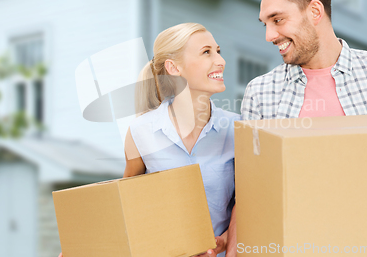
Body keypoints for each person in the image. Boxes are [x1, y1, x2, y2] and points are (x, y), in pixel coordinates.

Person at [226, 0, 367, 256]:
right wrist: (234, 248)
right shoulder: (260, 93)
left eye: (277, 20)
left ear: (315, 12)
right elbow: (249, 191)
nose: (269, 35)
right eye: (264, 23)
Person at [59, 23, 238, 257]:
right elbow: (125, 205)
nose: (220, 60)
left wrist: (224, 242)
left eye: (218, 50)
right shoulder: (140, 131)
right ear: (173, 67)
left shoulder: (239, 128)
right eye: (206, 52)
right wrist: (85, 246)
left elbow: (250, 201)